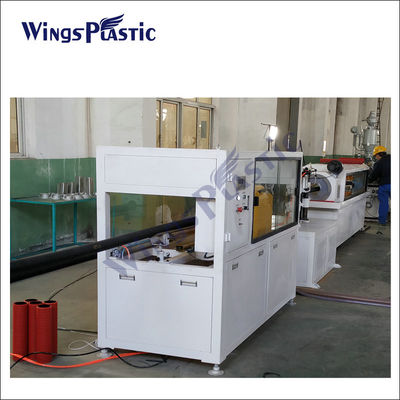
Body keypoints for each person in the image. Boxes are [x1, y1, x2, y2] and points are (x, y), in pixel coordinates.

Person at [368, 146, 391, 227]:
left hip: (384, 186)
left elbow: (373, 175)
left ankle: (382, 221)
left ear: (378, 155)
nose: (376, 158)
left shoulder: (379, 163)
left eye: (375, 156)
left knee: (384, 203)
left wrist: (368, 181)